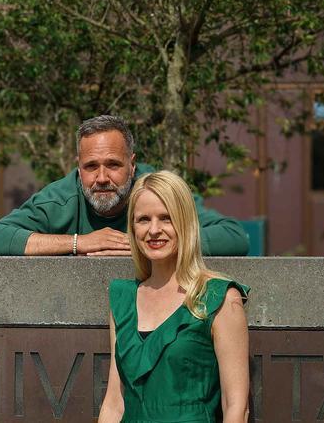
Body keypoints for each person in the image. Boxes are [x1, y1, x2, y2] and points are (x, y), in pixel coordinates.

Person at [0, 115, 250, 256]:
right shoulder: (60, 198)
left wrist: (149, 245)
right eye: (91, 167)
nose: (102, 177)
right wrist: (79, 244)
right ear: (79, 167)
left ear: (132, 163)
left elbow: (234, 237)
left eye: (113, 165)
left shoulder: (159, 190)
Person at [98, 170, 250, 422]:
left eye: (166, 218)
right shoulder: (123, 299)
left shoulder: (219, 298)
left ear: (185, 222)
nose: (154, 230)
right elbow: (114, 403)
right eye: (143, 219)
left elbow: (236, 408)